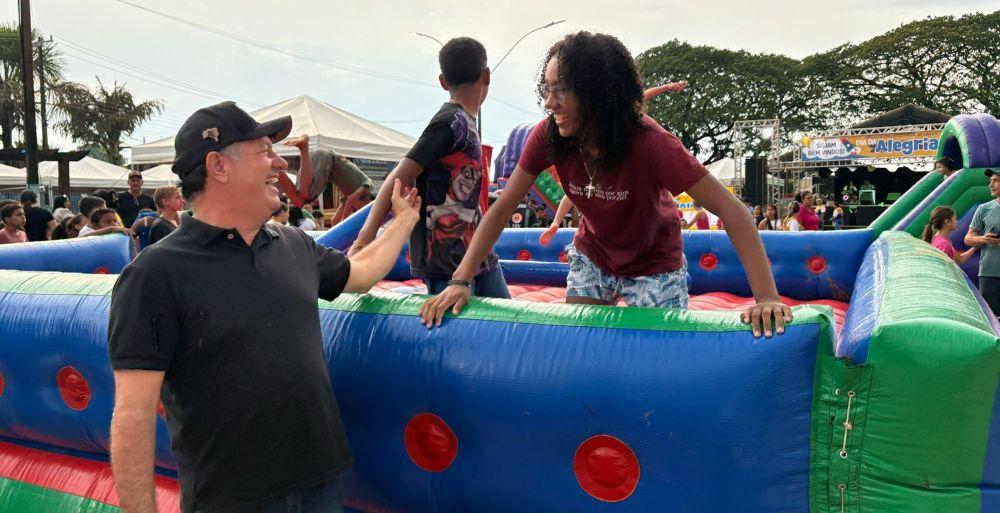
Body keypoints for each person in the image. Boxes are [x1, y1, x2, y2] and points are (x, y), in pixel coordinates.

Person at [108, 101, 419, 513]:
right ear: (219, 166)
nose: (279, 164)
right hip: (232, 500)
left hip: (320, 485)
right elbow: (134, 414)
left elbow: (360, 273)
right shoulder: (155, 274)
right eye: (264, 152)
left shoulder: (294, 245)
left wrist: (403, 222)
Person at [420, 31, 790, 337]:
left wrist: (766, 297)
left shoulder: (651, 143)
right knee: (580, 344)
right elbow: (501, 208)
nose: (549, 103)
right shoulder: (549, 136)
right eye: (546, 90)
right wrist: (460, 280)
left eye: (560, 90)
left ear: (597, 93)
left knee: (660, 356)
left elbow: (732, 210)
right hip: (595, 256)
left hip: (653, 262)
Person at [353, 37, 510, 300]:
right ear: (486, 76)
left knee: (509, 329)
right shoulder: (449, 122)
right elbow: (397, 179)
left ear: (442, 81)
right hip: (445, 262)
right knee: (458, 336)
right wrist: (363, 240)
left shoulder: (466, 123)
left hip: (479, 255)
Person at [281, 134, 374, 224]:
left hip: (319, 157)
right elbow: (351, 202)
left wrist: (338, 230)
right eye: (359, 209)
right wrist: (344, 225)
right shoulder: (367, 186)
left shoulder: (350, 194)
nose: (357, 210)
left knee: (298, 200)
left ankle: (278, 169)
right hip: (327, 162)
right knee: (303, 196)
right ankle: (303, 148)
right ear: (368, 203)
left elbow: (335, 220)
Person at [965, 169, 1000, 315]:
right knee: (993, 318)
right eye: (989, 181)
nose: (990, 185)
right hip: (990, 273)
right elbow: (968, 239)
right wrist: (984, 239)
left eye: (995, 181)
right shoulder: (984, 209)